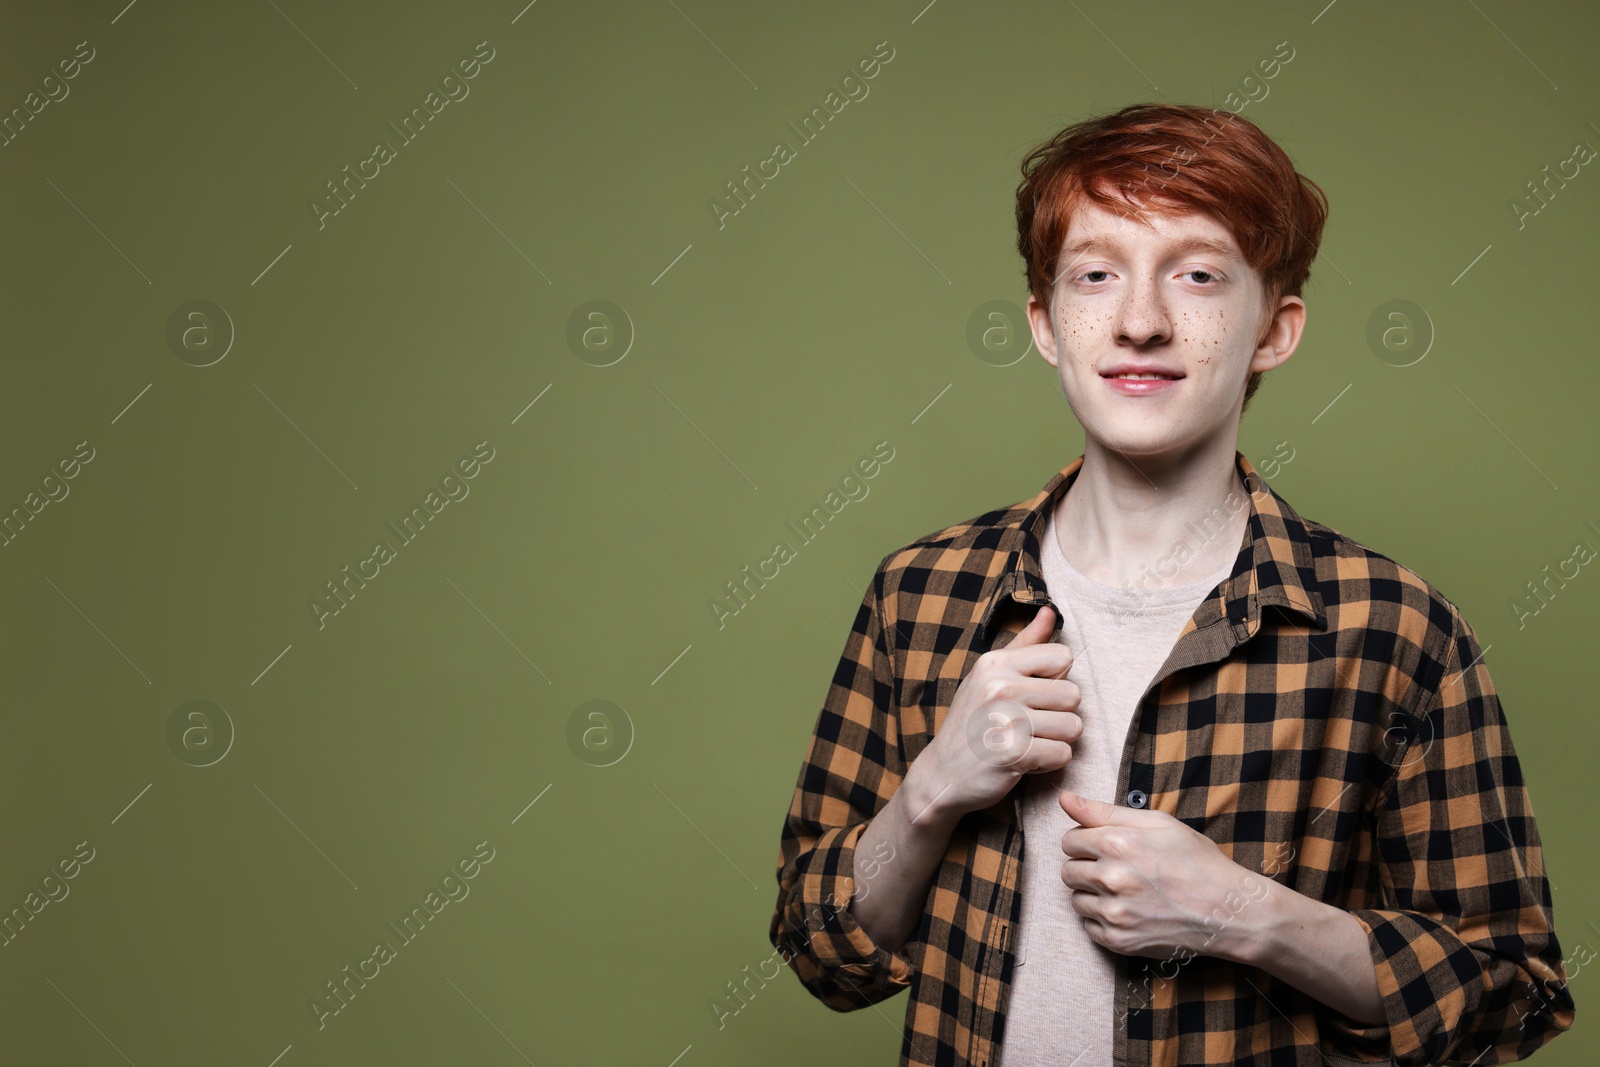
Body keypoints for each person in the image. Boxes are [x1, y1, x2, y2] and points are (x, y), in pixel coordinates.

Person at [768, 102, 1575, 1067]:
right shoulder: (921, 595)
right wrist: (931, 792)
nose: (1142, 321)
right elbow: (822, 952)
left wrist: (1245, 913)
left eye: (1196, 275)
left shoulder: (1396, 629)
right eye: (1096, 274)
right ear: (1045, 323)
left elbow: (1510, 999)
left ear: (1274, 330)